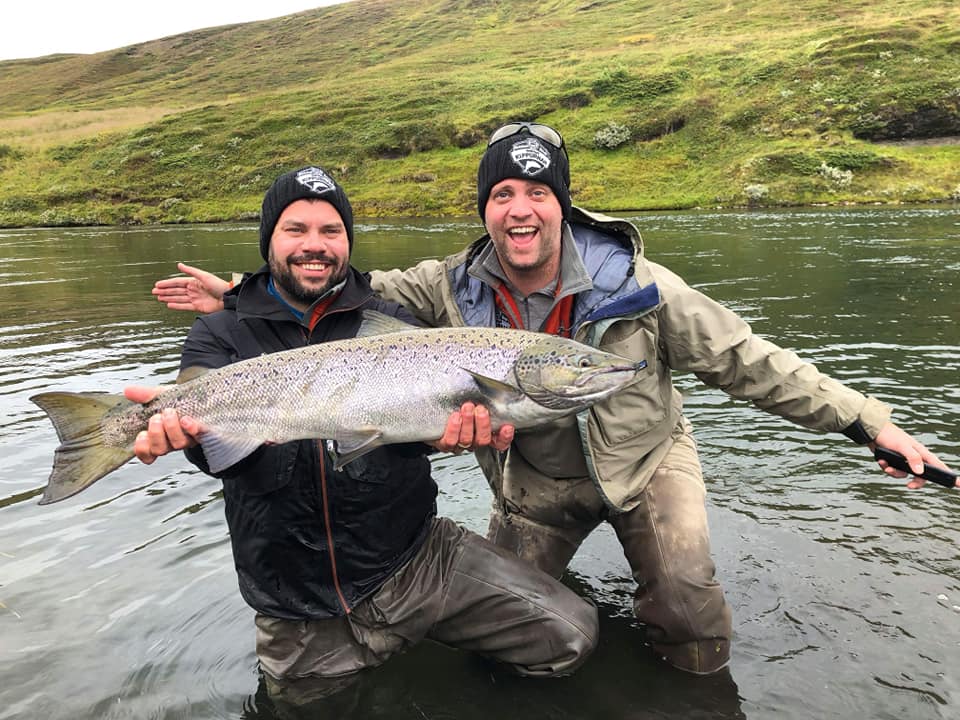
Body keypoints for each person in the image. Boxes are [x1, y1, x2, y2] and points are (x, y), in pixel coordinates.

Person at [153, 124, 955, 676]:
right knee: (520, 637)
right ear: (487, 209)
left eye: (536, 193)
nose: (519, 209)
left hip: (645, 469)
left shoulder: (641, 290)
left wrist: (870, 423)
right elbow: (334, 298)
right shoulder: (446, 287)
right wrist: (245, 293)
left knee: (685, 602)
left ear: (561, 204)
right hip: (534, 488)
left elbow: (753, 363)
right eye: (501, 193)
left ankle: (695, 693)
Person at [132, 165, 600, 706]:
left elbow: (415, 428)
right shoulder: (220, 333)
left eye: (331, 232)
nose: (315, 245)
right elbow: (225, 463)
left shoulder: (389, 319)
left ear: (348, 242)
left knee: (573, 636)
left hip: (418, 559)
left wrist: (442, 438)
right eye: (296, 230)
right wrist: (184, 439)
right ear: (268, 242)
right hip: (298, 600)